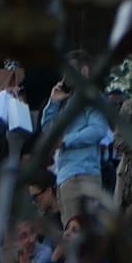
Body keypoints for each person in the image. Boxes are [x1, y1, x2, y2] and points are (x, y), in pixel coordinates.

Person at [46, 55, 114, 214]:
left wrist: (65, 140)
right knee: (69, 232)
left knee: (79, 231)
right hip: (64, 176)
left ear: (84, 71)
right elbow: (47, 131)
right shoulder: (67, 101)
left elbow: (98, 129)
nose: (64, 77)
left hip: (83, 174)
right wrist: (53, 103)